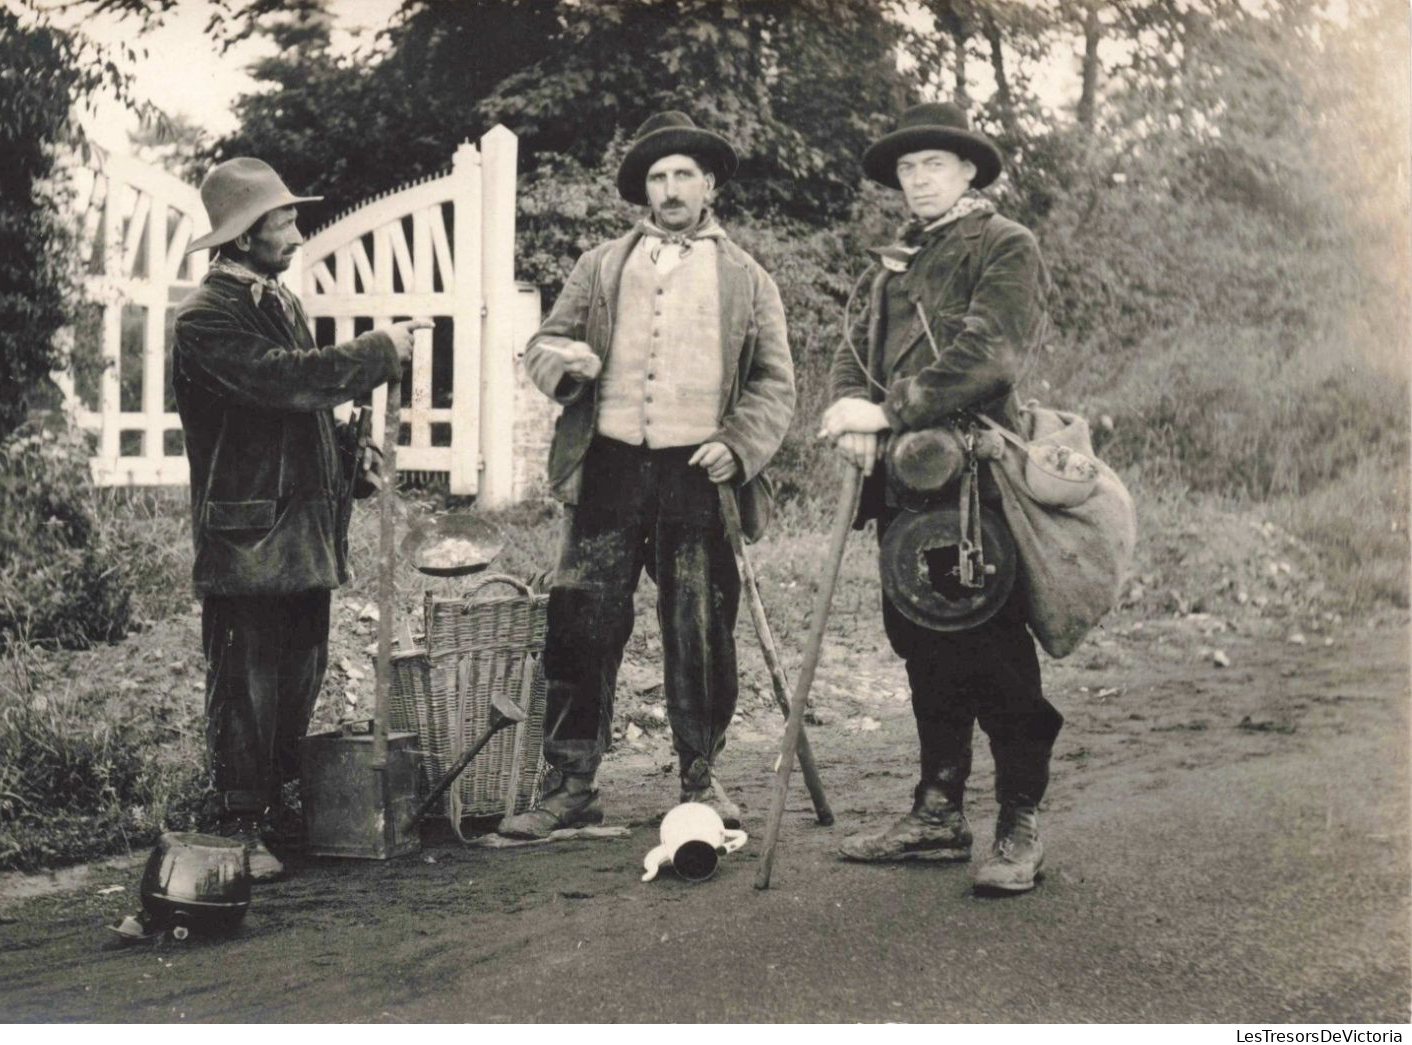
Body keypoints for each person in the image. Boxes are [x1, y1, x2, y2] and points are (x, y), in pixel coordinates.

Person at [500, 111, 796, 838]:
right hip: (606, 468)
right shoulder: (601, 264)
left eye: (682, 176)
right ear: (643, 189)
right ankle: (570, 782)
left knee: (698, 628)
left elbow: (774, 383)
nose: (668, 189)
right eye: (657, 177)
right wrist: (564, 365)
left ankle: (699, 776)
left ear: (708, 186)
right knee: (580, 620)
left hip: (697, 474)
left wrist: (739, 444)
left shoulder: (746, 278)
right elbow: (542, 344)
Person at [819, 102, 1060, 894]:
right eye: (907, 169)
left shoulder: (1004, 244)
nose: (917, 179)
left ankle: (1018, 819)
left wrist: (888, 410)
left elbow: (987, 354)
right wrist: (850, 415)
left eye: (933, 165)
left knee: (991, 647)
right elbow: (853, 352)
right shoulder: (893, 262)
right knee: (920, 641)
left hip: (975, 480)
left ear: (966, 172)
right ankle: (934, 813)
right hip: (901, 481)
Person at [172, 157, 430, 878]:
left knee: (297, 674)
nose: (296, 230)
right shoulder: (205, 320)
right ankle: (236, 822)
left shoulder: (277, 300)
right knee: (245, 682)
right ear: (245, 234)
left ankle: (279, 806)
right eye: (282, 220)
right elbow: (282, 381)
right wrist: (378, 351)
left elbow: (300, 409)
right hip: (248, 535)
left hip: (301, 533)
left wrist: (348, 456)